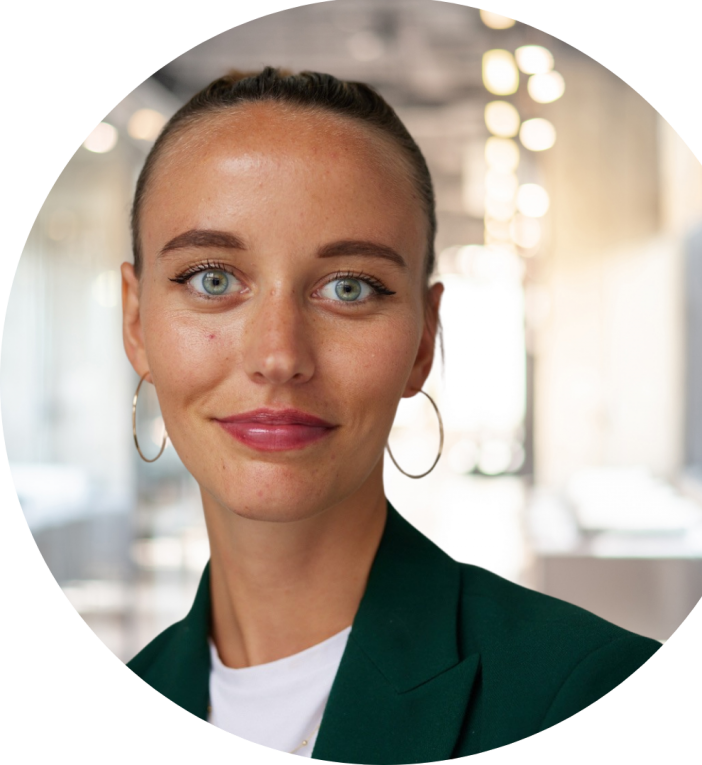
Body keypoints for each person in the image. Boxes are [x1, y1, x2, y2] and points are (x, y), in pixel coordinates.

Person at [123, 68, 661, 760]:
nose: (279, 355)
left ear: (423, 340)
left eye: (349, 288)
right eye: (213, 279)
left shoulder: (580, 687)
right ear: (136, 322)